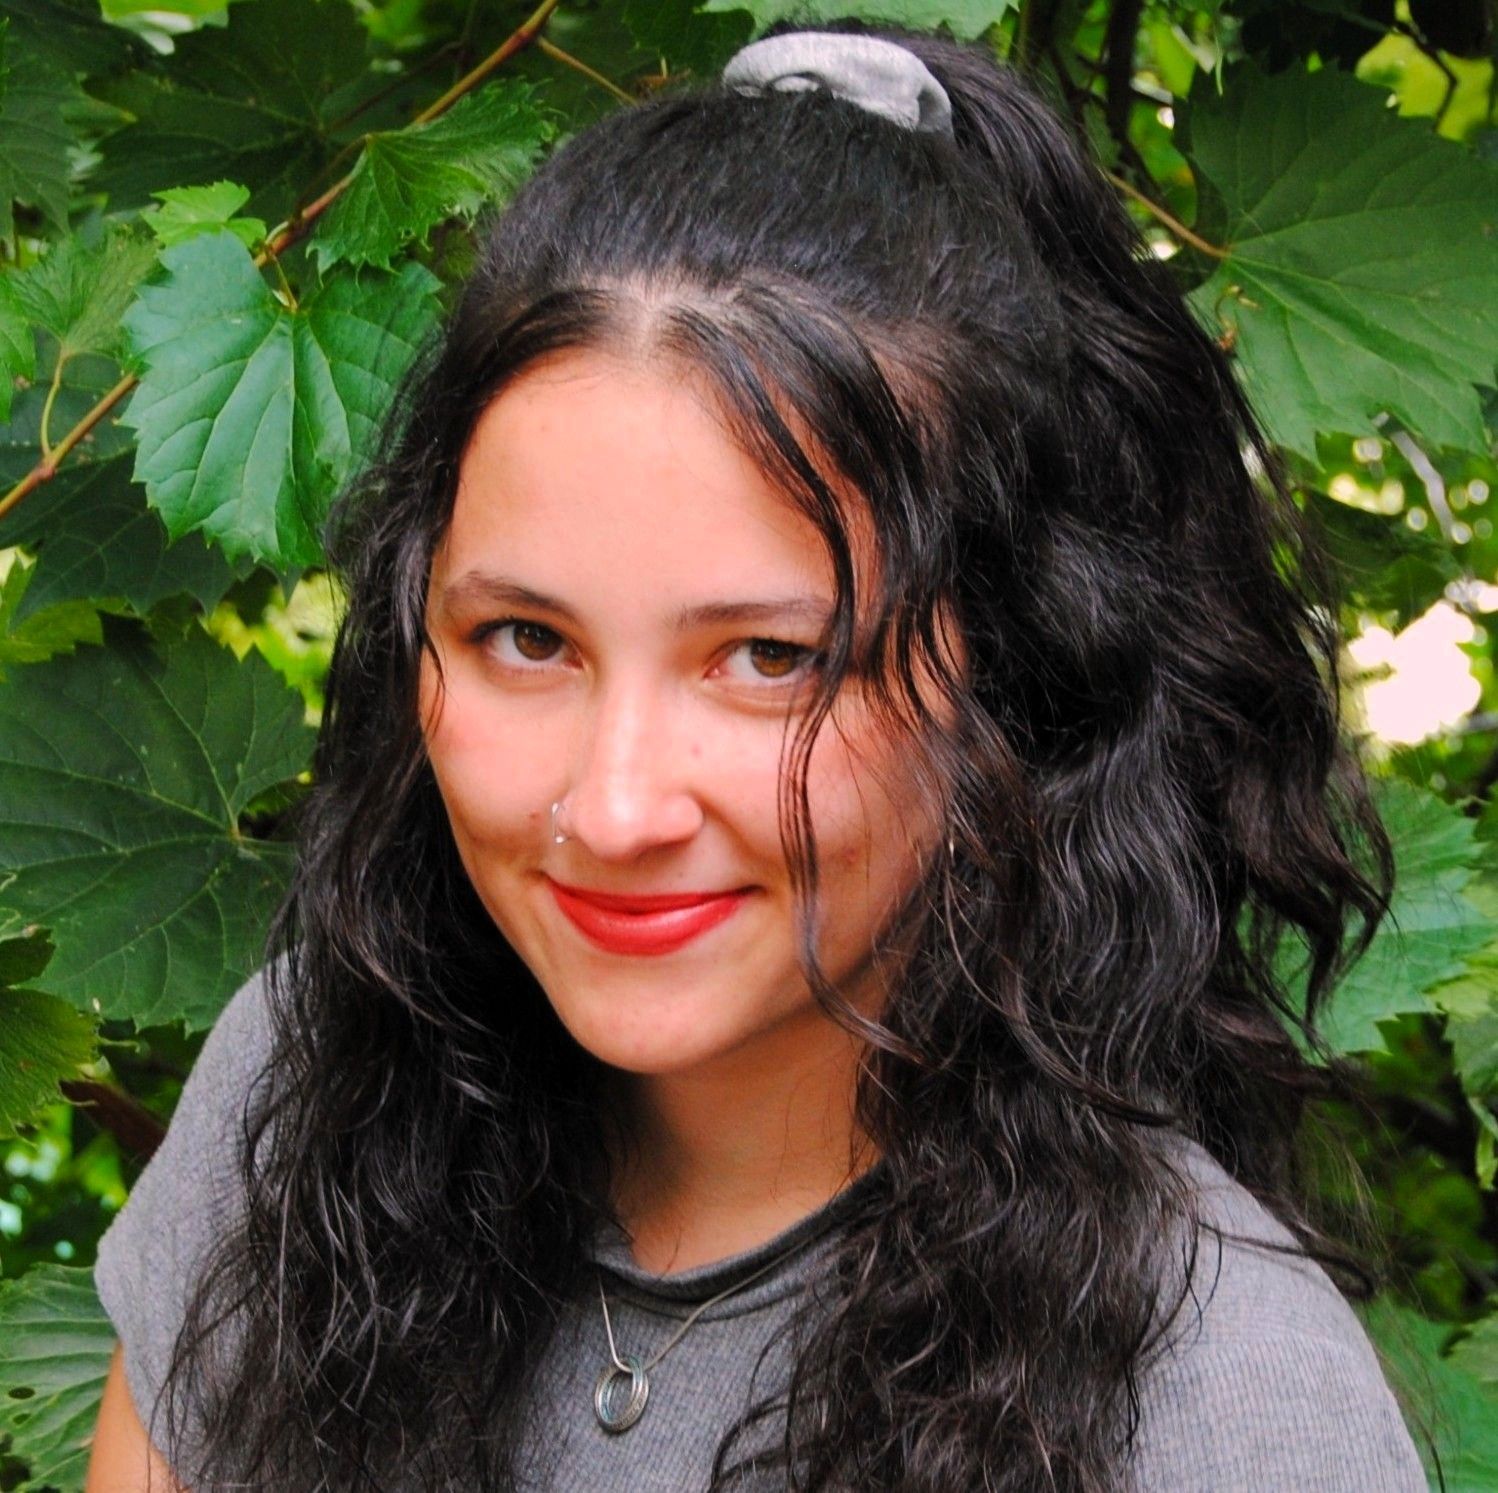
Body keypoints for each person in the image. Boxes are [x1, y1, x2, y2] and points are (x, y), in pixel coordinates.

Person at [85, 21, 1431, 1493]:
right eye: (527, 637)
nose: (610, 805)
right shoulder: (311, 1095)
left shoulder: (1222, 1401)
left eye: (769, 659)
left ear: (1025, 671)